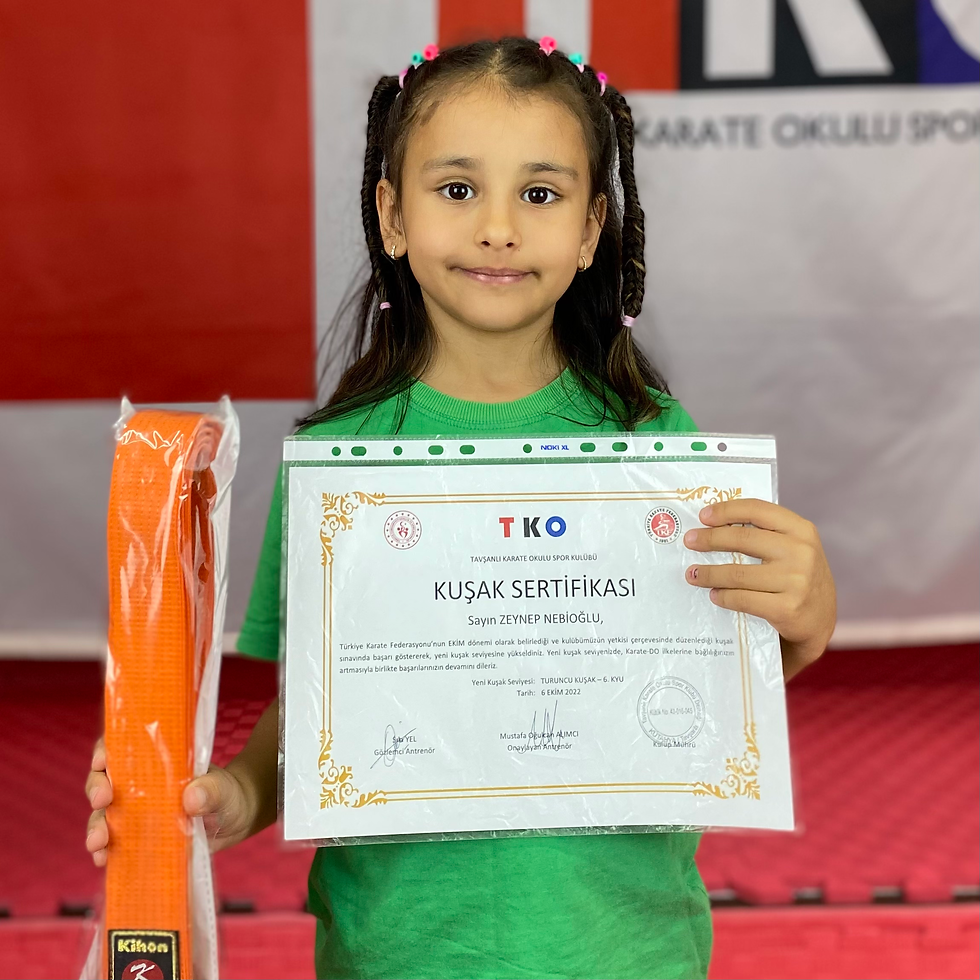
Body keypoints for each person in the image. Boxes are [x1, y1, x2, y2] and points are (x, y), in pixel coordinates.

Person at [86, 35, 836, 980]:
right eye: (456, 189)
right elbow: (321, 704)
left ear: (592, 229)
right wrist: (238, 793)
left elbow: (711, 676)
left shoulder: (658, 445)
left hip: (625, 949)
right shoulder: (338, 463)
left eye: (540, 194)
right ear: (392, 215)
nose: (497, 228)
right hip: (397, 953)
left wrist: (806, 619)